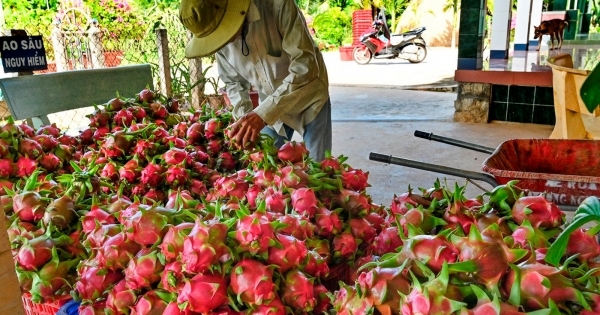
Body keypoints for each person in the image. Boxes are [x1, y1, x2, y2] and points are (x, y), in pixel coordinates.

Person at [179, 0, 331, 161]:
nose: (226, 41)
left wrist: (262, 115)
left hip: (309, 98)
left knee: (318, 168)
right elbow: (233, 82)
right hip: (268, 101)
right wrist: (245, 121)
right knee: (262, 166)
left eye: (223, 31)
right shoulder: (219, 41)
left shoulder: (278, 6)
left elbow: (305, 67)